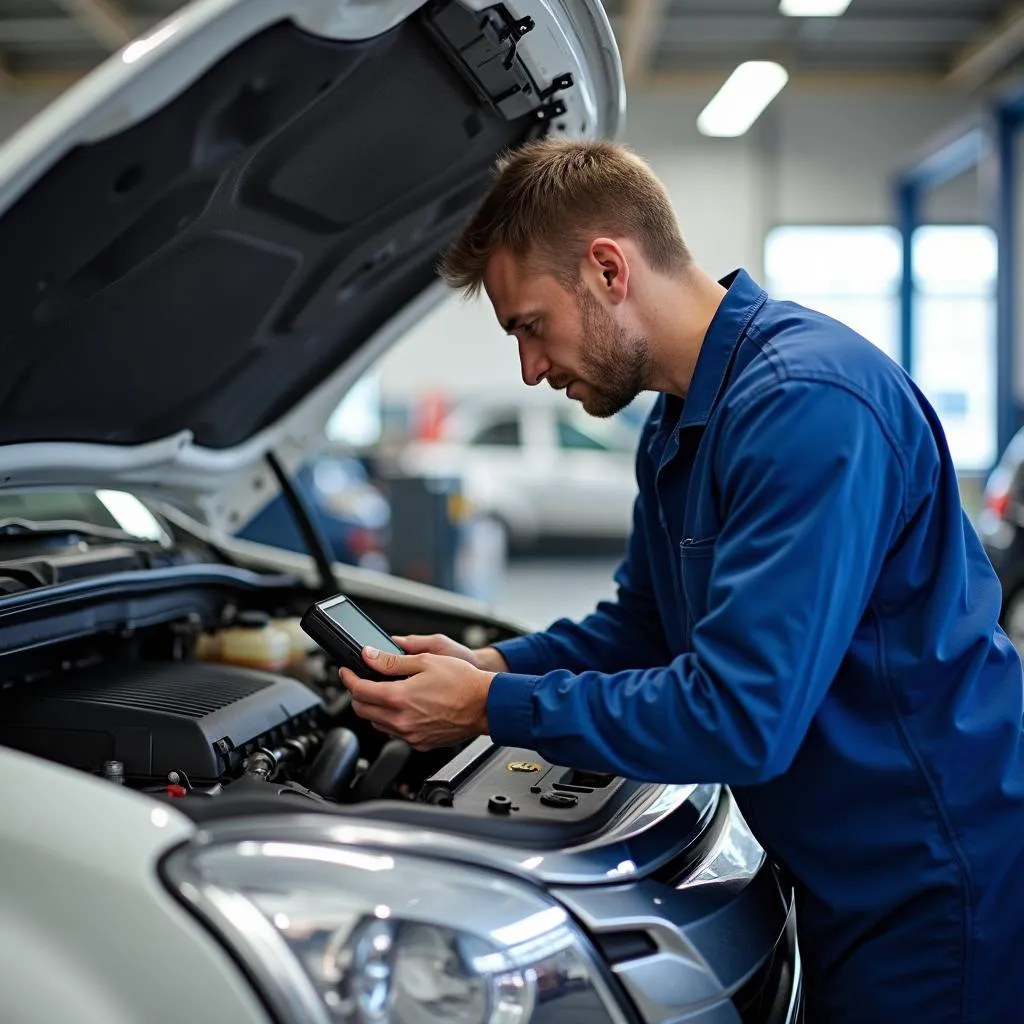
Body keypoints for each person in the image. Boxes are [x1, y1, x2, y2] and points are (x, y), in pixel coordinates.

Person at [339, 138, 1024, 1023]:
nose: (530, 370)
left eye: (529, 325)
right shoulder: (680, 422)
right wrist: (491, 669)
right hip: (845, 870)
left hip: (935, 881)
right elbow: (644, 626)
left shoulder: (805, 405)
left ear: (608, 269)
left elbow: (742, 718)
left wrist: (486, 713)